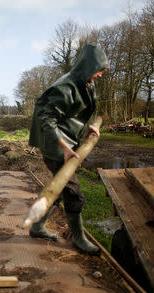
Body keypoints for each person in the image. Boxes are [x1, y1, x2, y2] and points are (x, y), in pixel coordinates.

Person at [28, 44, 109, 255]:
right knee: (74, 194)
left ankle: (37, 227)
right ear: (89, 66)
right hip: (55, 147)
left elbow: (79, 111)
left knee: (61, 190)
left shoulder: (85, 82)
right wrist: (64, 147)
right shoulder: (65, 87)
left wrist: (90, 125)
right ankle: (79, 238)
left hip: (67, 143)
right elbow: (47, 119)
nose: (100, 74)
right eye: (99, 69)